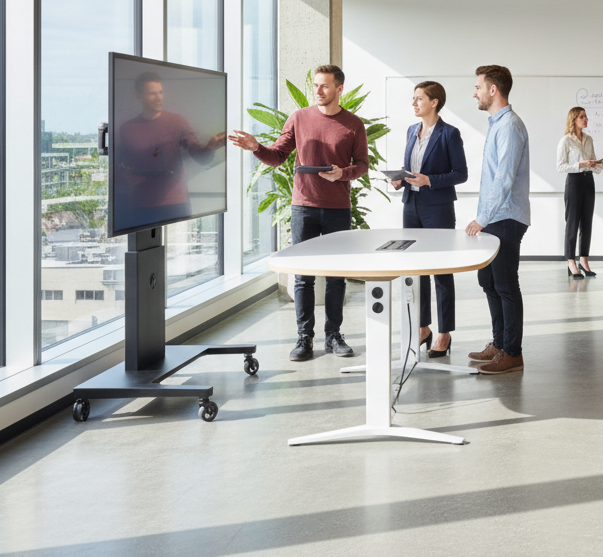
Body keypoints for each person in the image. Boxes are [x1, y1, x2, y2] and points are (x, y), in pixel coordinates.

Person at [229, 64, 367, 362]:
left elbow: (363, 165)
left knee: (336, 277)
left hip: (338, 209)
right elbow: (278, 156)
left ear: (339, 89)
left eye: (325, 86)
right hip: (303, 207)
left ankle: (334, 336)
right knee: (303, 277)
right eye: (316, 85)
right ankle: (304, 338)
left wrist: (343, 173)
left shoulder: (353, 124)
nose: (318, 90)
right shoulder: (299, 118)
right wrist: (256, 147)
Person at [391, 81, 467, 358]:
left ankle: (445, 332)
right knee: (416, 269)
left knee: (441, 270)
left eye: (419, 98)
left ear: (434, 102)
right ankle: (423, 327)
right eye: (413, 99)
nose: (413, 103)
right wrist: (401, 180)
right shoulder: (412, 131)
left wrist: (429, 181)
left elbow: (461, 174)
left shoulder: (450, 134)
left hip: (438, 208)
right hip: (410, 205)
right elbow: (409, 168)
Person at [465, 65, 530, 375]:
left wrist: (482, 218)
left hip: (506, 217)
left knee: (505, 284)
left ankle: (512, 353)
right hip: (495, 217)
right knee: (488, 280)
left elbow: (503, 179)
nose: (474, 92)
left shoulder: (510, 127)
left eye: (478, 86)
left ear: (493, 90)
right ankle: (500, 343)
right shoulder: (497, 124)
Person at [115, 71, 225, 232]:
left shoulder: (177, 122)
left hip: (175, 203)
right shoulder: (126, 129)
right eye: (152, 93)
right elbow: (118, 166)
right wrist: (126, 177)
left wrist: (211, 147)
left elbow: (199, 156)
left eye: (160, 92)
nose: (158, 98)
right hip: (140, 205)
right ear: (139, 96)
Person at [556, 106, 603, 279]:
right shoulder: (566, 141)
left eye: (586, 116)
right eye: (582, 116)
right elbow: (560, 166)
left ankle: (584, 260)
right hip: (574, 182)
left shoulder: (589, 139)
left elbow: (593, 160)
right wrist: (580, 165)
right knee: (572, 224)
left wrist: (597, 165)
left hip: (588, 182)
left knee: (587, 223)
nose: (586, 119)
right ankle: (570, 261)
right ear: (574, 119)